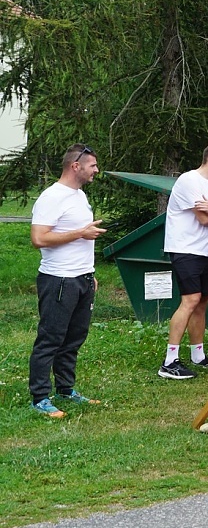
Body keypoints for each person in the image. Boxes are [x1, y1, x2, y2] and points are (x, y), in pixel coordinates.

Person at [28, 144, 106, 418]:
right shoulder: (52, 197)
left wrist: (89, 274)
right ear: (76, 166)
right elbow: (39, 238)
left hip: (82, 279)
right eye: (92, 165)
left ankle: (65, 389)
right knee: (50, 339)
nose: (96, 170)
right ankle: (40, 397)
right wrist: (80, 233)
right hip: (59, 279)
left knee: (74, 339)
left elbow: (79, 239)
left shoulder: (79, 196)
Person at [159, 142, 208, 381]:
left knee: (202, 302)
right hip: (185, 248)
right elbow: (203, 219)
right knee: (190, 300)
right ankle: (169, 361)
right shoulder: (188, 181)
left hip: (207, 250)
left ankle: (197, 355)